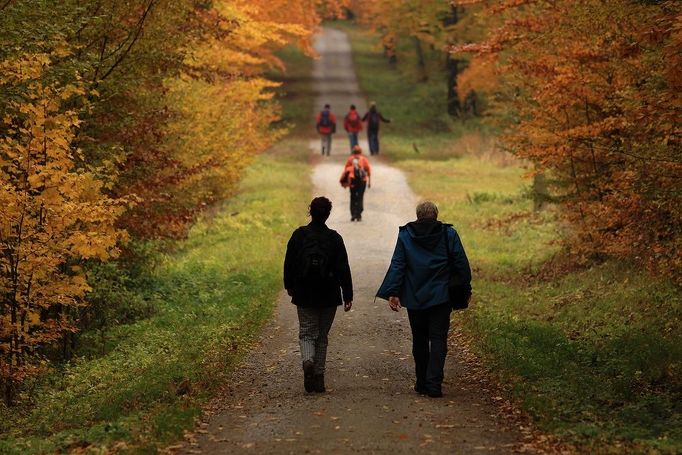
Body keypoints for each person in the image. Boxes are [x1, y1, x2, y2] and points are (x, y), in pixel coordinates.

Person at [376, 201, 471, 398]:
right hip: (441, 296)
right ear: (436, 215)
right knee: (438, 338)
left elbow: (398, 264)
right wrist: (465, 286)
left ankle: (421, 382)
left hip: (415, 296)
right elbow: (460, 262)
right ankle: (434, 384)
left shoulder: (406, 235)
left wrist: (393, 292)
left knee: (419, 339)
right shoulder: (448, 234)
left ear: (418, 215)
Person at [283, 197, 353, 393]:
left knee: (306, 332)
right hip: (329, 293)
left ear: (310, 212)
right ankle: (319, 378)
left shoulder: (299, 235)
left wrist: (289, 285)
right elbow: (343, 268)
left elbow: (289, 262)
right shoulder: (334, 238)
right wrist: (347, 294)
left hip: (304, 292)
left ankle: (307, 361)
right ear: (328, 214)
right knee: (322, 336)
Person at [340, 145, 371, 222]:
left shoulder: (350, 159)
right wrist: (369, 182)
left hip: (352, 181)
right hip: (362, 181)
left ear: (353, 152)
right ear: (361, 152)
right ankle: (359, 214)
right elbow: (368, 170)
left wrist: (346, 181)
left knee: (353, 197)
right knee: (360, 197)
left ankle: (353, 214)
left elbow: (346, 171)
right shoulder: (364, 159)